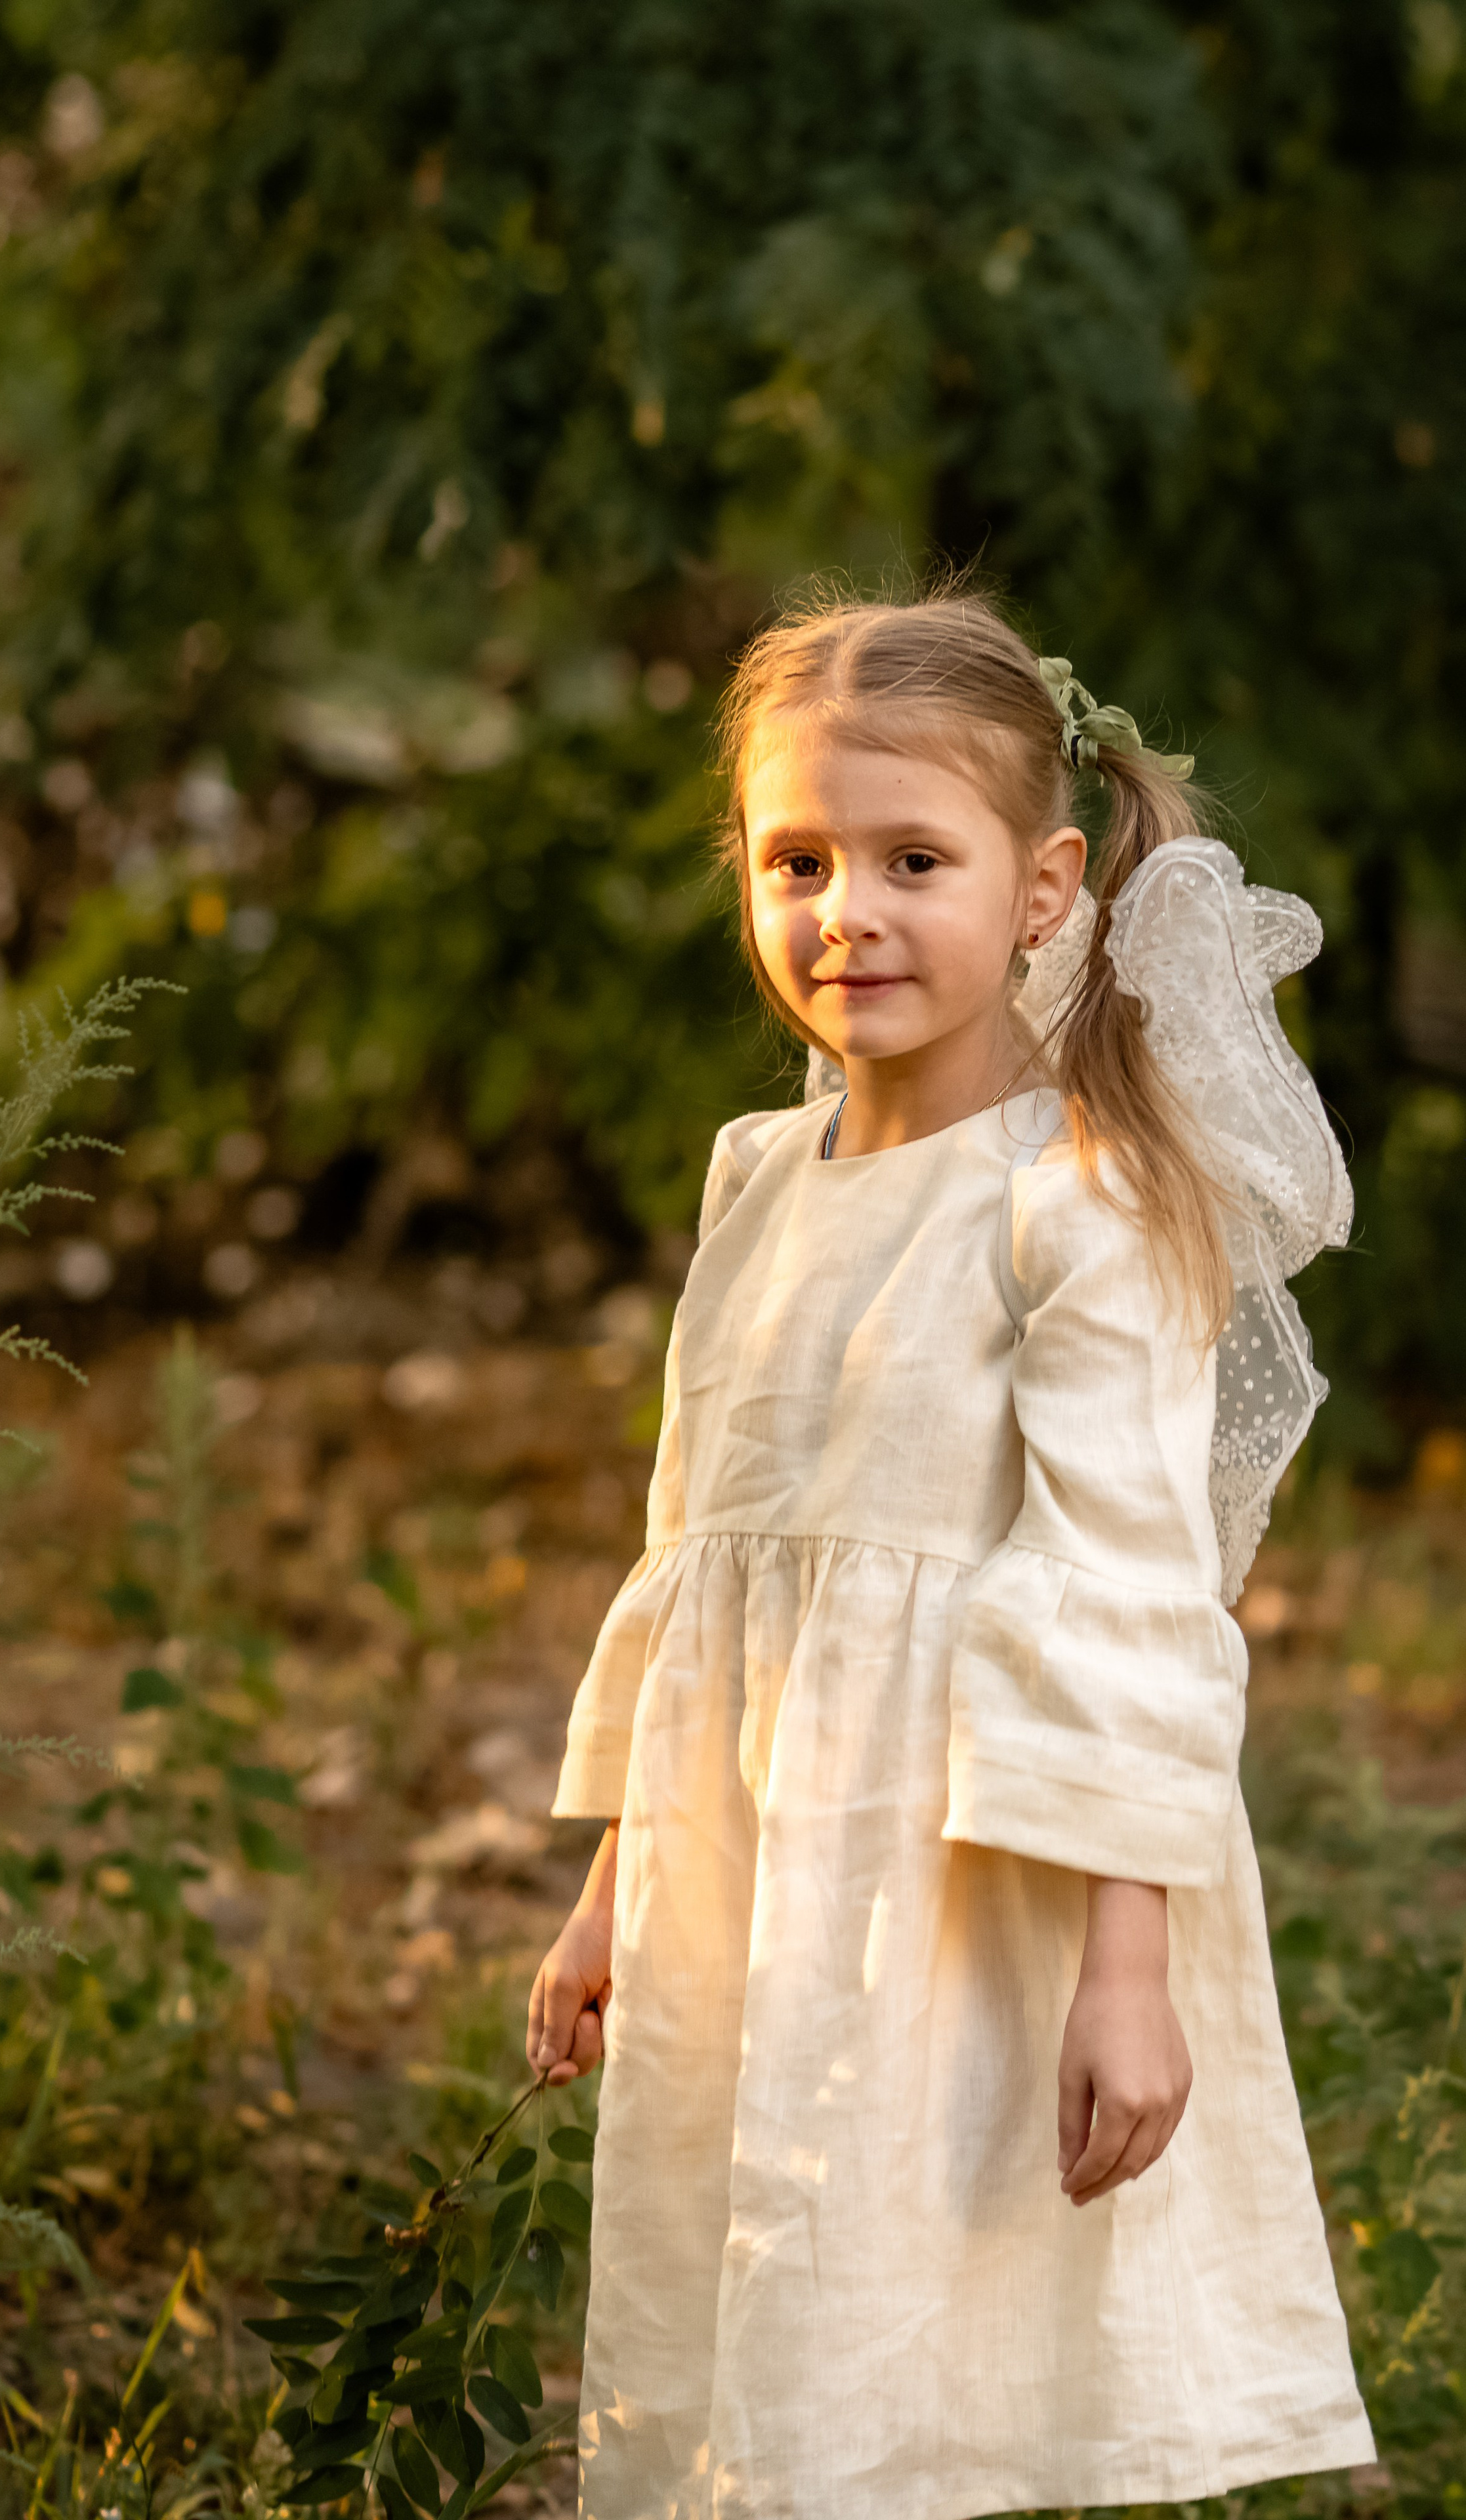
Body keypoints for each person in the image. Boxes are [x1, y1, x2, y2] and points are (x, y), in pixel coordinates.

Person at [525, 589, 1375, 2520]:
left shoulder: (1080, 1205)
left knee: (899, 2336)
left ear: (1045, 886)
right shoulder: (756, 1178)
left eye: (917, 860)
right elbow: (698, 1549)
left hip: (963, 1873)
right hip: (750, 1848)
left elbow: (1125, 1589)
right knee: (738, 2291)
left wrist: (1127, 1960)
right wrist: (612, 1884)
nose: (850, 913)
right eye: (798, 859)